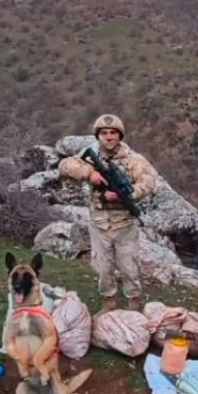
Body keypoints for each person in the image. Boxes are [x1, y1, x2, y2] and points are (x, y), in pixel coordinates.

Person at [59, 114, 157, 314]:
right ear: (98, 135)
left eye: (113, 133)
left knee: (129, 268)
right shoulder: (91, 155)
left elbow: (148, 181)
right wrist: (90, 174)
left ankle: (134, 304)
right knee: (103, 268)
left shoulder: (133, 160)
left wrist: (127, 194)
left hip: (124, 224)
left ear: (120, 135)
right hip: (99, 223)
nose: (109, 137)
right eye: (104, 133)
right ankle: (108, 302)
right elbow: (65, 166)